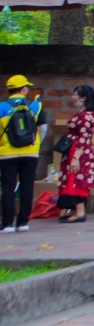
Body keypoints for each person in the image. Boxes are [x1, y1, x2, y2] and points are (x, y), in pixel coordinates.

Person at [0, 75, 42, 233]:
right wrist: (36, 144)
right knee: (27, 186)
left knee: (8, 187)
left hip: (7, 153)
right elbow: (43, 128)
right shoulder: (35, 106)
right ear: (24, 89)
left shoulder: (2, 107)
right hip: (30, 152)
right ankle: (23, 222)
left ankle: (7, 224)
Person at [56, 85, 94, 223]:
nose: (73, 97)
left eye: (75, 95)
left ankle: (80, 213)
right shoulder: (84, 113)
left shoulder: (86, 116)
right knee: (72, 179)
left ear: (83, 98)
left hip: (79, 150)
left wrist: (75, 157)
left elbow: (84, 137)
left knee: (76, 179)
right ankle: (74, 210)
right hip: (77, 149)